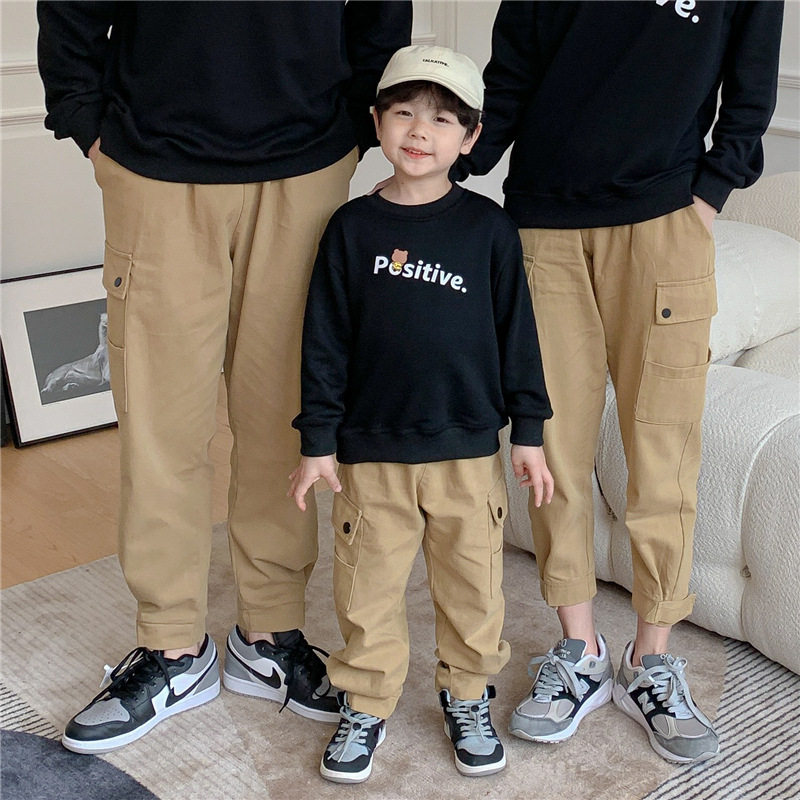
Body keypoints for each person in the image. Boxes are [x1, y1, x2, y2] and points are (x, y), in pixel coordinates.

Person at [36, 1, 411, 754]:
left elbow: (381, 11)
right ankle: (171, 643)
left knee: (285, 421)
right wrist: (86, 121)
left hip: (306, 164)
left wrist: (351, 129)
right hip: (156, 167)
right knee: (162, 426)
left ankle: (269, 632)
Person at [456, 0, 783, 764]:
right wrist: (446, 166)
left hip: (665, 222)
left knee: (663, 452)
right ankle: (580, 650)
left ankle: (652, 660)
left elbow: (752, 87)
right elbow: (513, 70)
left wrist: (706, 200)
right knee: (550, 449)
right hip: (543, 226)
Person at [288, 45, 554, 783]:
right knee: (365, 589)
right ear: (377, 122)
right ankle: (366, 701)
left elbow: (519, 338)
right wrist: (317, 440)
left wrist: (529, 433)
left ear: (470, 138)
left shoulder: (489, 230)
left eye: (441, 120)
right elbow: (323, 343)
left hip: (468, 452)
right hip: (370, 454)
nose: (419, 131)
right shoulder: (350, 229)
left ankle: (466, 694)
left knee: (474, 587)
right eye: (403, 112)